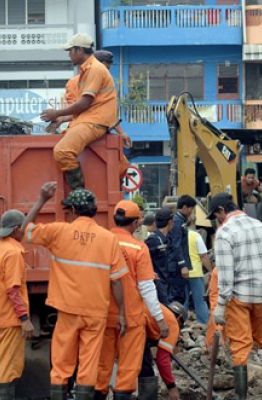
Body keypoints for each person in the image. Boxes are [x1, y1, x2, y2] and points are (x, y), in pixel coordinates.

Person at [22, 183, 128, 400]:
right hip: (96, 311)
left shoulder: (59, 231)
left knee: (62, 363)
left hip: (68, 310)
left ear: (72, 211)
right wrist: (123, 314)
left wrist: (42, 199)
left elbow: (25, 229)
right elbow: (117, 282)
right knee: (89, 364)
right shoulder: (108, 239)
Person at [209, 192, 262, 399]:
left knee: (240, 345)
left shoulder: (225, 233)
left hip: (238, 299)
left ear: (222, 211)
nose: (217, 220)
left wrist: (221, 305)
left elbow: (225, 275)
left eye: (216, 215)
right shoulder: (260, 226)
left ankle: (242, 397)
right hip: (260, 296)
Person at [95, 200, 170, 400]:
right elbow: (146, 287)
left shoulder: (101, 242)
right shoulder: (138, 248)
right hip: (131, 318)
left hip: (103, 315)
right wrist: (159, 319)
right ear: (136, 223)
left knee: (102, 367)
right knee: (128, 370)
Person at [41, 33, 118, 196]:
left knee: (62, 151)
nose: (69, 54)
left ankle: (80, 196)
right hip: (89, 119)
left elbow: (84, 103)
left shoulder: (95, 69)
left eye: (70, 50)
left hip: (94, 121)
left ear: (80, 50)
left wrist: (56, 114)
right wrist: (61, 118)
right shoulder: (87, 70)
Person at [49, 50, 131, 181]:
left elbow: (105, 111)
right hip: (82, 126)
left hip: (98, 125)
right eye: (105, 67)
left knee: (123, 166)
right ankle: (80, 191)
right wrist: (62, 117)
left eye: (108, 69)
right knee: (64, 152)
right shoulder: (75, 82)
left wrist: (121, 132)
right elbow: (77, 110)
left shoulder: (102, 78)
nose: (106, 72)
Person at [0, 210, 35, 400]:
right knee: (8, 366)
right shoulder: (13, 253)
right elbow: (13, 290)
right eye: (22, 227)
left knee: (1, 363)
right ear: (15, 230)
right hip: (9, 318)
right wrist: (24, 319)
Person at [139, 302, 183, 400]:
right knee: (146, 369)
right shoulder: (173, 323)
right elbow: (162, 360)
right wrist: (171, 387)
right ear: (179, 319)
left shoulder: (161, 310)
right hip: (136, 327)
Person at [169, 195, 196, 304]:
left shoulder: (181, 220)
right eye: (191, 209)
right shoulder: (177, 221)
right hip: (176, 267)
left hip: (178, 265)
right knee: (178, 296)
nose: (191, 212)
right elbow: (177, 245)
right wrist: (183, 265)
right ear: (184, 207)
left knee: (181, 295)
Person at [184, 213, 211, 324]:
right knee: (200, 301)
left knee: (183, 301)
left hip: (183, 273)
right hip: (195, 273)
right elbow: (204, 256)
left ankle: (181, 324)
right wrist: (210, 270)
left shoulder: (178, 235)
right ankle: (204, 324)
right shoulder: (195, 236)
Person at [146, 208, 174, 305]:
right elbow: (145, 260)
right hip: (158, 284)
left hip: (168, 283)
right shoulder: (153, 240)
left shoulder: (169, 238)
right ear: (170, 222)